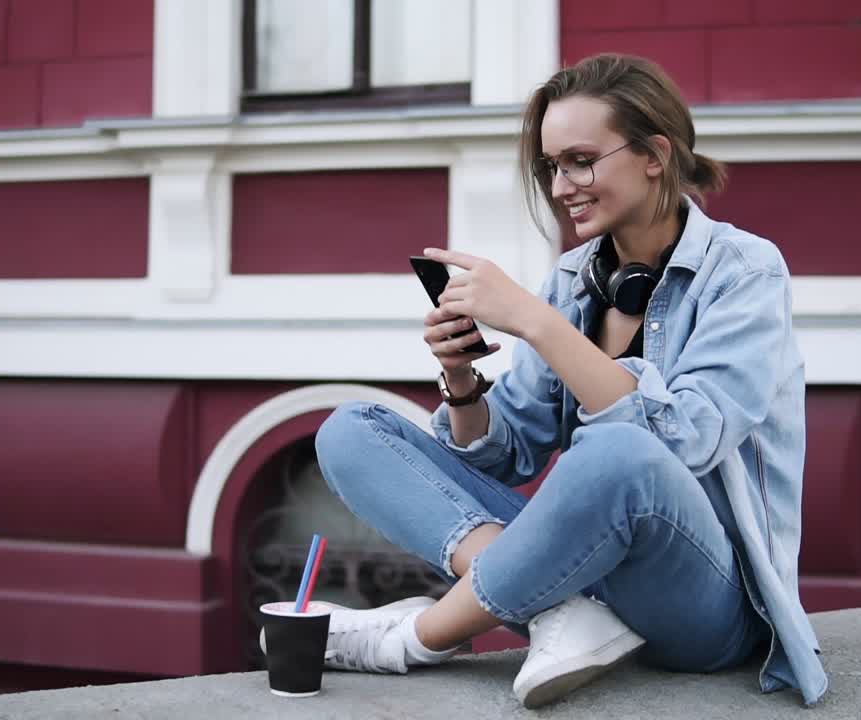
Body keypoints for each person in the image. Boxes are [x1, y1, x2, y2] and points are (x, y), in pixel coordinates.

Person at [277, 53, 827, 708]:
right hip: (587, 572)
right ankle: (557, 608)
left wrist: (536, 323)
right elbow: (508, 455)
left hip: (708, 605)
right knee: (351, 431)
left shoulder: (743, 272)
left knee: (619, 453)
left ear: (655, 153)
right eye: (551, 167)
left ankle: (414, 638)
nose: (561, 185)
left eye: (581, 161)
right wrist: (462, 382)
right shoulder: (575, 279)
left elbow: (683, 440)